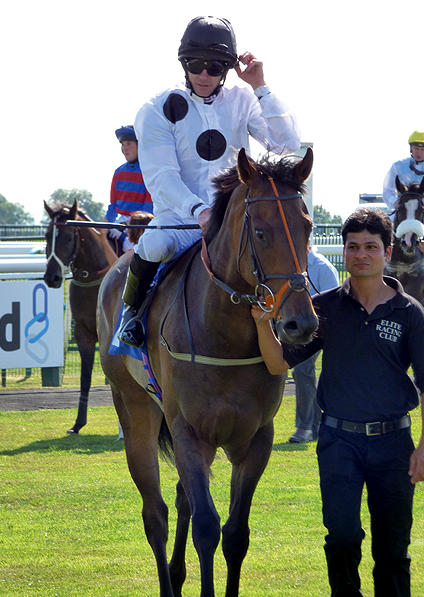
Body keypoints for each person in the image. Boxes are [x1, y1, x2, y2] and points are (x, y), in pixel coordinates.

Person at [252, 208, 424, 596]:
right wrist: (264, 324)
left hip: (394, 445)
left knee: (393, 550)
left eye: (370, 247)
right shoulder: (324, 307)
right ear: (343, 253)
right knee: (342, 538)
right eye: (352, 247)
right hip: (338, 443)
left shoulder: (410, 313)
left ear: (388, 251)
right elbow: (278, 363)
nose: (361, 254)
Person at [117, 15, 301, 347]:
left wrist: (260, 87)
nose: (204, 74)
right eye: (195, 64)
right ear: (183, 63)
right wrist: (199, 211)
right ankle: (132, 313)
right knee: (155, 244)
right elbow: (161, 177)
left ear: (229, 68)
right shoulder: (154, 109)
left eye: (215, 67)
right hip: (180, 217)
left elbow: (287, 146)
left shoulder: (243, 100)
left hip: (232, 217)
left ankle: (289, 317)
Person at [289, 244, 339, 443]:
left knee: (302, 370)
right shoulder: (292, 265)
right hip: (296, 328)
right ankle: (316, 426)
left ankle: (304, 427)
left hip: (319, 330)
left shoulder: (322, 267)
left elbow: (335, 305)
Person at [105, 125, 153, 252]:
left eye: (129, 143)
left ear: (139, 145)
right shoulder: (118, 172)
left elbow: (148, 209)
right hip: (119, 224)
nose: (124, 148)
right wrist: (109, 224)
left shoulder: (148, 172)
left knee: (129, 247)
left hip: (140, 225)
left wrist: (124, 227)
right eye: (122, 144)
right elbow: (113, 206)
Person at [383, 130, 424, 211]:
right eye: (416, 148)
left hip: (422, 209)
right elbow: (387, 190)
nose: (419, 153)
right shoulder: (397, 166)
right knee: (388, 222)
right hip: (403, 209)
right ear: (411, 148)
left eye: (422, 149)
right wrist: (395, 202)